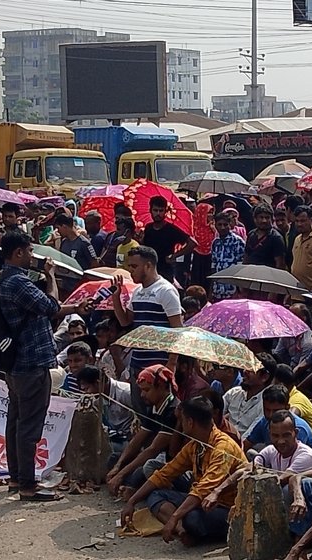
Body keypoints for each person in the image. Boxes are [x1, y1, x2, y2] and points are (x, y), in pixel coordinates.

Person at [0, 231, 90, 501]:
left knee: (15, 421)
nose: (32, 256)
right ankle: (27, 485)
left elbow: (44, 308)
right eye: (29, 251)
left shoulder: (4, 280)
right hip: (31, 362)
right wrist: (50, 276)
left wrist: (75, 307)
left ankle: (16, 478)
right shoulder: (18, 282)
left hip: (15, 363)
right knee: (29, 426)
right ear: (18, 253)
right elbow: (50, 305)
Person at [121, 396, 248, 545]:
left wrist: (174, 517)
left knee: (191, 517)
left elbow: (203, 489)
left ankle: (196, 532)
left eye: (181, 421)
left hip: (227, 506)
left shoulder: (222, 447)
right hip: (204, 501)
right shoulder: (195, 445)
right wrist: (132, 501)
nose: (180, 425)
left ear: (190, 422)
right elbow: (165, 473)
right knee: (155, 495)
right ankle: (182, 530)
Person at [111, 245, 183, 406]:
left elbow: (177, 329)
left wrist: (171, 363)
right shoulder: (137, 292)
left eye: (134, 266)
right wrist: (116, 297)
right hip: (137, 363)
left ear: (148, 266)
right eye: (129, 266)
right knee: (139, 411)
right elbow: (125, 321)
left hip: (158, 365)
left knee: (157, 414)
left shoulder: (166, 291)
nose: (131, 271)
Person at [106, 365, 179, 496]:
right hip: (155, 457)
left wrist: (121, 474)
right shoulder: (154, 406)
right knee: (116, 458)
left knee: (145, 468)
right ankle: (130, 486)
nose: (142, 395)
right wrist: (118, 467)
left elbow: (153, 449)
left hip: (169, 462)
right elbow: (137, 440)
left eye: (146, 390)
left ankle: (134, 489)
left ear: (161, 387)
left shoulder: (173, 411)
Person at [244, 385, 312, 453]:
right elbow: (246, 444)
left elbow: (292, 457)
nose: (270, 415)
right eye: (267, 410)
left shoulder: (298, 427)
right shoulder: (265, 421)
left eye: (275, 410)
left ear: (287, 407)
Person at [140, 195, 195, 283]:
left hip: (165, 271)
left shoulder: (171, 229)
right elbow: (145, 247)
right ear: (150, 210)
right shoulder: (148, 228)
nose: (158, 213)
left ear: (165, 211)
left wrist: (175, 256)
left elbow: (192, 243)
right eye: (155, 210)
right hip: (149, 269)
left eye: (161, 211)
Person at [223, 354, 274, 436]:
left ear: (264, 377)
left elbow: (249, 437)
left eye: (251, 369)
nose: (245, 371)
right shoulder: (234, 393)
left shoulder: (266, 404)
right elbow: (216, 413)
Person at [210, 211, 245, 300]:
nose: (222, 227)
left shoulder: (238, 241)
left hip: (232, 289)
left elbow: (241, 266)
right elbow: (214, 266)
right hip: (218, 289)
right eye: (219, 224)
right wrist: (211, 289)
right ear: (215, 225)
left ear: (230, 225)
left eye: (225, 225)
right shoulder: (215, 243)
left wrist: (239, 289)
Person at [291, 206, 312, 292]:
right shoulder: (297, 239)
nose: (299, 224)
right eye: (297, 221)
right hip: (296, 289)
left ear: (311, 220)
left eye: (303, 221)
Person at [244, 203, 286, 269]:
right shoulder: (251, 234)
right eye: (261, 217)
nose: (264, 221)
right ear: (255, 219)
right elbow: (246, 257)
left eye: (267, 217)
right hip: (251, 273)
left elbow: (280, 264)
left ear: (272, 219)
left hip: (267, 276)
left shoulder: (276, 238)